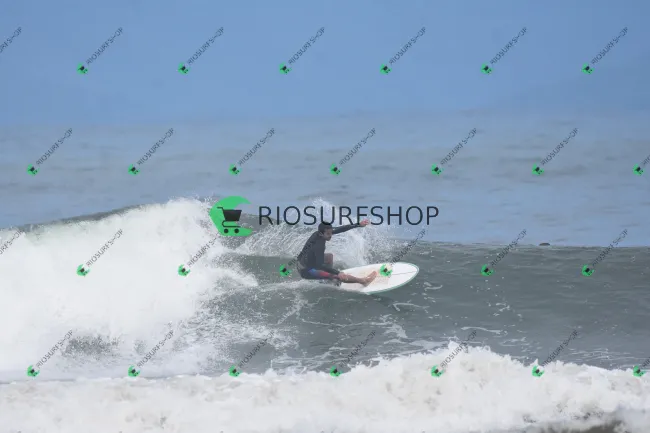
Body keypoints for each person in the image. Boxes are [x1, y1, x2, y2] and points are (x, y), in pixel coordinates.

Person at [297, 220, 377, 286]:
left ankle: (328, 280)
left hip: (303, 262)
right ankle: (363, 281)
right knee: (338, 276)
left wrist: (358, 224)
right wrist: (338, 273)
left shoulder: (319, 233)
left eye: (331, 232)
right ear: (321, 233)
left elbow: (340, 229)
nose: (331, 235)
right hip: (306, 270)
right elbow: (320, 265)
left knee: (329, 257)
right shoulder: (319, 246)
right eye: (328, 234)